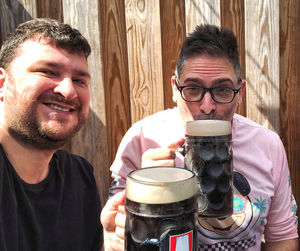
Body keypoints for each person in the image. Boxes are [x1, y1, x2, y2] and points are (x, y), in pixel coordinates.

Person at [100, 24, 298, 250]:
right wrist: (146, 193)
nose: (207, 106)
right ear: (175, 89)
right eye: (193, 89)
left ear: (240, 92)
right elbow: (115, 237)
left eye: (222, 90)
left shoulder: (267, 145)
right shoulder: (142, 139)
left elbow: (283, 237)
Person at [0, 18, 102, 251]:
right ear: (2, 84)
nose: (67, 90)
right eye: (47, 71)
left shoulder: (79, 176)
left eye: (79, 80)